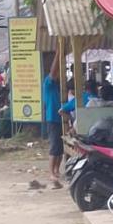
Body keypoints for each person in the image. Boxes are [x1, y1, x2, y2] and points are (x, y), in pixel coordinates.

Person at [42, 54, 64, 189]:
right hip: (52, 118)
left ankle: (56, 170)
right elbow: (53, 69)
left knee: (60, 148)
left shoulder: (57, 86)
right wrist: (58, 54)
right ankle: (51, 172)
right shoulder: (48, 83)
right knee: (54, 146)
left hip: (59, 118)